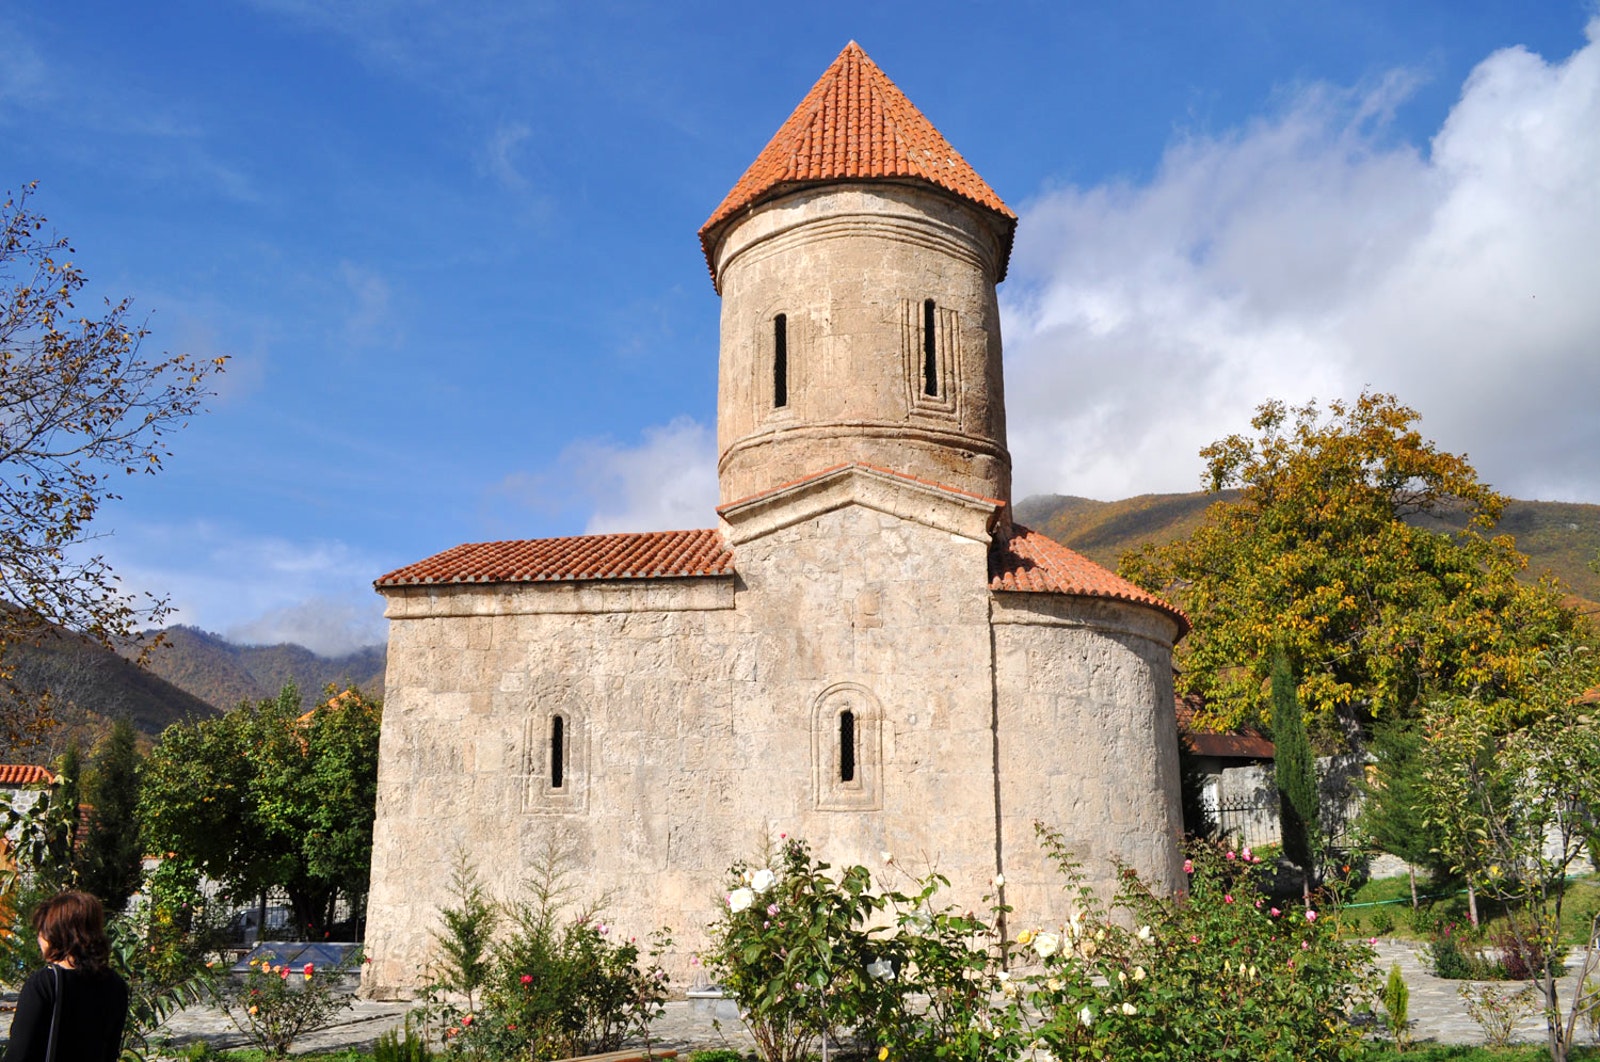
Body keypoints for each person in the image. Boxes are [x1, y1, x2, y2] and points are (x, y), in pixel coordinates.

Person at [3, 891, 130, 1062]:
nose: (39, 940)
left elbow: (19, 1054)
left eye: (43, 931)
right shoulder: (115, 984)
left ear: (59, 935)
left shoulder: (44, 984)